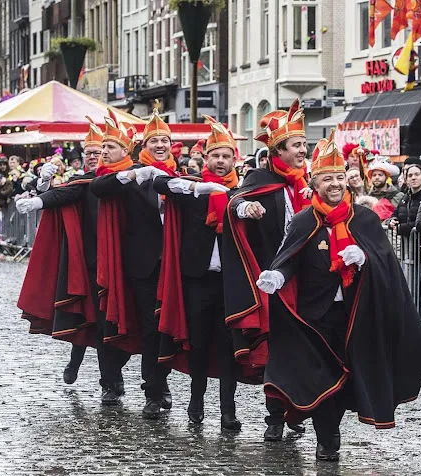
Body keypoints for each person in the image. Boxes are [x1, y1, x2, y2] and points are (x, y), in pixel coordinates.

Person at [255, 133, 421, 461]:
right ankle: (328, 439)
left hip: (354, 315)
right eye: (327, 179)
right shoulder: (305, 220)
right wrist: (277, 275)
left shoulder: (363, 219)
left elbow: (384, 262)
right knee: (323, 378)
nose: (335, 184)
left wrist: (363, 259)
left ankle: (330, 431)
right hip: (314, 316)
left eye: (339, 177)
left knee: (346, 378)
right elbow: (289, 258)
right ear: (314, 182)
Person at [16, 118, 135, 405]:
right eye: (92, 153)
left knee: (126, 323)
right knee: (97, 321)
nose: (97, 156)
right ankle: (108, 380)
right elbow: (61, 193)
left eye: (102, 150)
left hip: (130, 262)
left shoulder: (132, 176)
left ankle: (118, 374)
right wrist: (40, 192)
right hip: (93, 262)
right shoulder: (81, 182)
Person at [222, 99, 309, 442]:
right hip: (274, 281)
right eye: (297, 145)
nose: (304, 150)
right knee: (276, 350)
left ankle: (298, 409)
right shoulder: (260, 178)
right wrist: (246, 206)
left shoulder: (310, 181)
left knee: (305, 349)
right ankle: (275, 416)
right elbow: (235, 201)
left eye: (304, 144)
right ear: (279, 150)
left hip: (308, 280)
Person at [153, 115, 243, 431]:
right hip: (197, 280)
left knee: (229, 347)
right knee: (200, 345)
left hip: (231, 282)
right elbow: (158, 180)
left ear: (235, 159)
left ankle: (228, 410)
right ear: (205, 158)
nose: (220, 162)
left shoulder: (242, 190)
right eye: (215, 156)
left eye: (226, 156)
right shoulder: (193, 188)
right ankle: (196, 403)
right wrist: (192, 186)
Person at [90, 106, 176, 419]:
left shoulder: (179, 176)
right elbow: (99, 186)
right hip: (144, 265)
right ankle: (152, 390)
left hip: (177, 267)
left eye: (164, 140)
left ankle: (160, 383)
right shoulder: (134, 176)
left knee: (169, 331)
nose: (160, 145)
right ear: (143, 147)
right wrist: (131, 174)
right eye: (153, 141)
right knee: (151, 328)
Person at [390, 160, 421, 238]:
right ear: (406, 180)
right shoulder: (405, 197)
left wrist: (402, 228)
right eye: (410, 175)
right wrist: (393, 220)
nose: (413, 178)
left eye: (417, 174)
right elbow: (395, 213)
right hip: (407, 244)